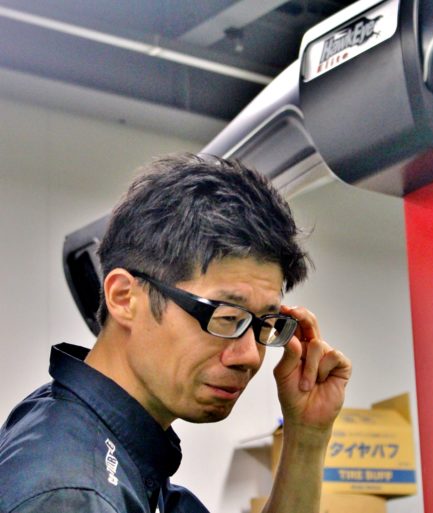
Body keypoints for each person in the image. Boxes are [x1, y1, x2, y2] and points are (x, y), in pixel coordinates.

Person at [0, 153, 352, 513]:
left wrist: (306, 437)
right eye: (226, 317)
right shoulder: (75, 494)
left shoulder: (94, 432)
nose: (249, 356)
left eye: (265, 323)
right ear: (124, 297)